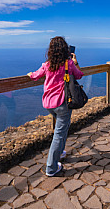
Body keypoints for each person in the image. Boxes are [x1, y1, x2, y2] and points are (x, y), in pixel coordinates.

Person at [27, 36, 83, 176]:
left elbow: (35, 76)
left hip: (48, 104)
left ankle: (61, 152)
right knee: (59, 134)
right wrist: (75, 62)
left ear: (51, 50)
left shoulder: (47, 64)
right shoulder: (68, 63)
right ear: (65, 49)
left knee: (62, 128)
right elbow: (79, 75)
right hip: (63, 103)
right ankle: (51, 168)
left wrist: (30, 74)